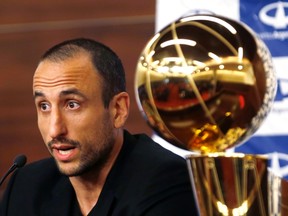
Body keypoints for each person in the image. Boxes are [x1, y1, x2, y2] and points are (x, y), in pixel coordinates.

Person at [0, 38, 198, 215]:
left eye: (72, 104)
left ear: (118, 110)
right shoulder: (26, 186)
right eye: (44, 106)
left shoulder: (168, 183)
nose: (55, 130)